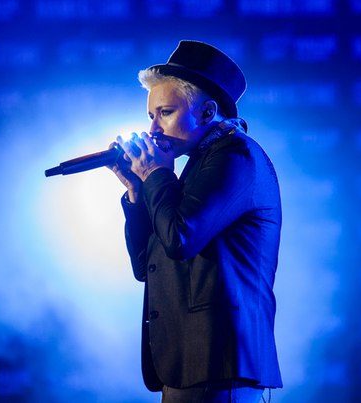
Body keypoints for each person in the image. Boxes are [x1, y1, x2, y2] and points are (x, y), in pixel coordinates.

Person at [108, 40, 283, 403]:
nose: (153, 129)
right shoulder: (197, 166)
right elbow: (147, 265)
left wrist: (155, 173)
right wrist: (137, 192)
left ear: (207, 112)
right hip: (190, 363)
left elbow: (180, 238)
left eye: (165, 112)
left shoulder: (236, 156)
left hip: (219, 362)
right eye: (151, 115)